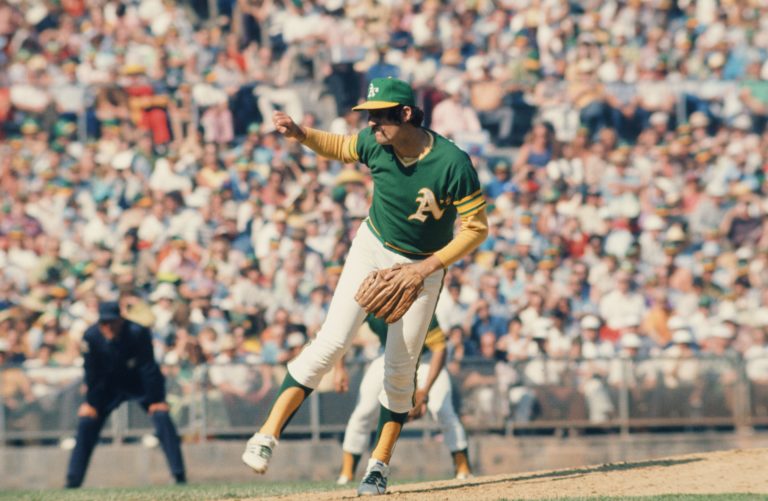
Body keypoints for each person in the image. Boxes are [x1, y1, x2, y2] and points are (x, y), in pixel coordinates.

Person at [241, 77, 488, 496]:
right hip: (372, 249)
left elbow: (476, 229)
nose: (372, 125)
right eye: (369, 117)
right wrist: (301, 135)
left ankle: (378, 466)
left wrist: (424, 269)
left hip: (422, 267)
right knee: (331, 342)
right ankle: (265, 436)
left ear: (406, 114)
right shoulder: (376, 144)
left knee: (399, 369)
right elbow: (339, 147)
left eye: (379, 117)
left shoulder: (452, 162)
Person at [334, 314, 472, 486]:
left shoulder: (417, 299)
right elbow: (343, 331)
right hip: (390, 358)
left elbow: (439, 349)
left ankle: (463, 468)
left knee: (442, 410)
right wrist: (339, 368)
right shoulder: (371, 300)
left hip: (425, 360)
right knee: (363, 411)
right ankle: (346, 474)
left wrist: (424, 391)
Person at [65, 301, 186, 488]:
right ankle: (73, 481)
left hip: (137, 383)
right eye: (104, 323)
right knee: (87, 422)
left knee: (161, 416)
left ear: (121, 320)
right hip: (106, 387)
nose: (108, 327)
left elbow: (148, 367)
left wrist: (156, 399)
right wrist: (91, 403)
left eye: (112, 322)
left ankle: (179, 476)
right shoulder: (91, 336)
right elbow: (92, 372)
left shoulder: (138, 332)